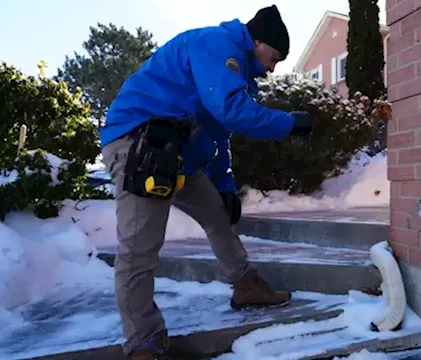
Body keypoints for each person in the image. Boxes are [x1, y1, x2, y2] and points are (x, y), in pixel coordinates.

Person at [99, 5, 313, 359]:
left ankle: (246, 285)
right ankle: (143, 342)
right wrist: (289, 123)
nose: (274, 67)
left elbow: (219, 132)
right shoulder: (217, 43)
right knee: (140, 249)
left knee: (217, 216)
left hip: (177, 152)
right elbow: (231, 110)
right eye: (274, 57)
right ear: (257, 40)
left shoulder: (239, 73)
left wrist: (224, 186)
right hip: (141, 144)